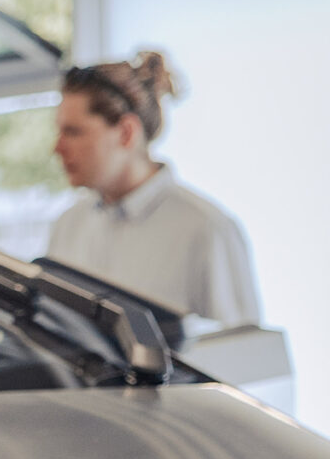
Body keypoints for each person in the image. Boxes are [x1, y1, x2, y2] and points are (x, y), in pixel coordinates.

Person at [47, 51, 263, 335]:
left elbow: (243, 358)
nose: (58, 148)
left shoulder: (206, 229)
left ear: (126, 132)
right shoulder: (68, 225)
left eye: (73, 132)